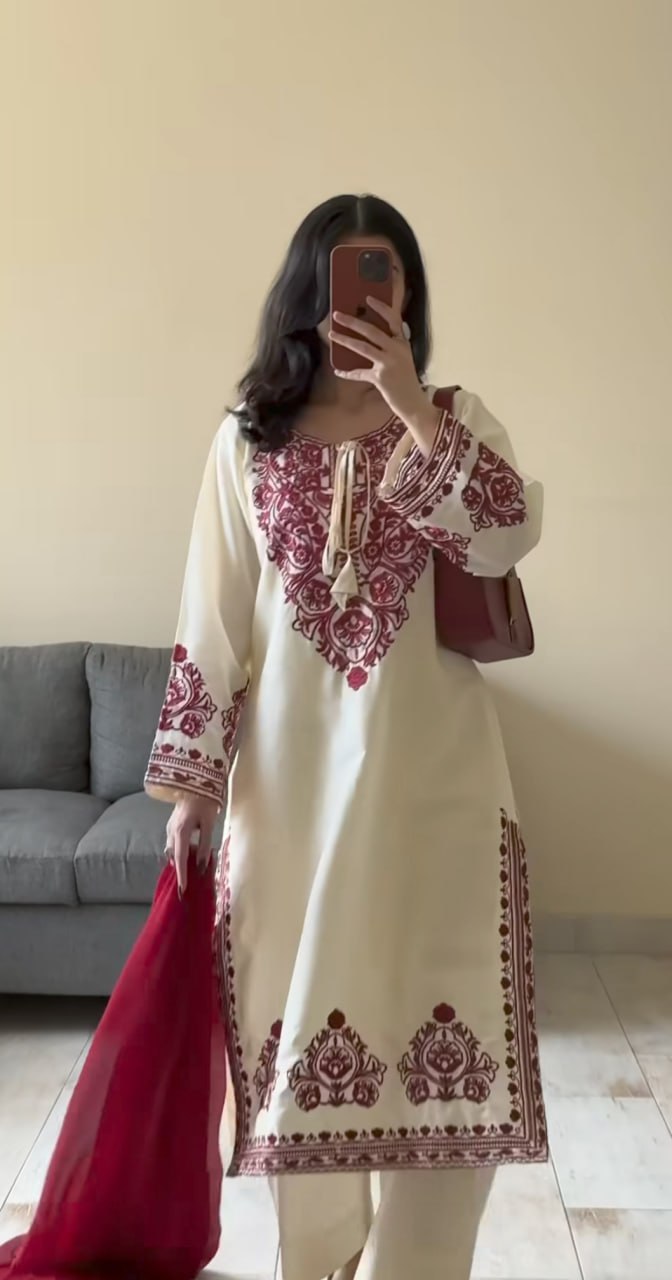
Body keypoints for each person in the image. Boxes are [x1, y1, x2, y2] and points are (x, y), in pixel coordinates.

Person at [145, 193, 547, 1280]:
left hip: (435, 787)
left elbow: (507, 532)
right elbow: (213, 615)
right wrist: (193, 788)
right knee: (298, 1025)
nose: (368, 295)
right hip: (290, 795)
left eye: (387, 274)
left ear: (409, 294)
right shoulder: (248, 437)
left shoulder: (455, 418)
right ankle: (317, 1260)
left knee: (446, 1034)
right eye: (346, 273)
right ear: (305, 290)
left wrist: (412, 408)